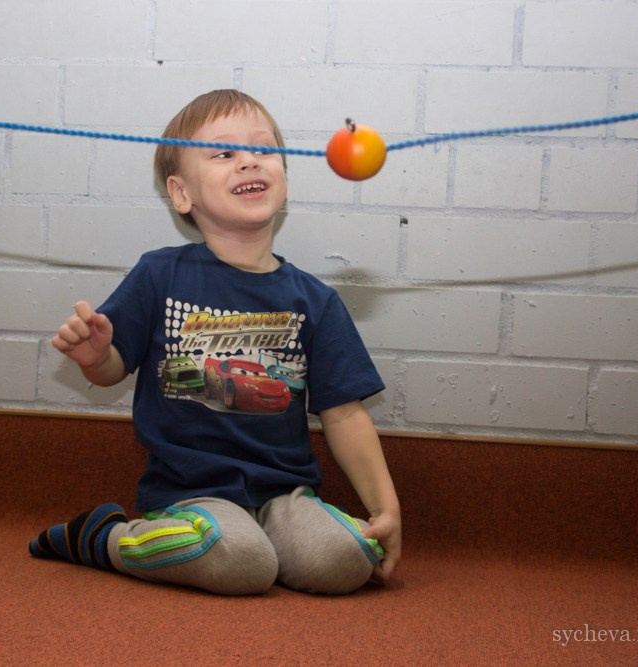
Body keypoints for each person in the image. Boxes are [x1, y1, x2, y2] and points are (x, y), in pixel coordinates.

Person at [29, 89, 401, 595]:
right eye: (224, 153)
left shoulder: (315, 300)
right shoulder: (159, 273)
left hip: (284, 495)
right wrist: (97, 358)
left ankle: (267, 546)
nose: (249, 160)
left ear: (284, 178)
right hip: (191, 493)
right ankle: (103, 537)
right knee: (239, 559)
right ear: (182, 194)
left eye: (263, 149)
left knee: (346, 559)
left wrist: (385, 509)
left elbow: (345, 414)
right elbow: (113, 369)